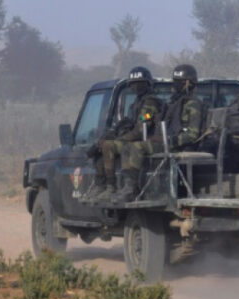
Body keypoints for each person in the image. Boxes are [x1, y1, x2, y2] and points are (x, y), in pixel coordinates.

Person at [112, 64, 204, 204]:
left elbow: (192, 135)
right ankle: (127, 187)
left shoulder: (193, 104)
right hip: (164, 141)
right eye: (175, 81)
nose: (176, 85)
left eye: (180, 82)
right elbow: (149, 117)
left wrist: (168, 140)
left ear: (189, 83)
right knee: (128, 146)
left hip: (176, 145)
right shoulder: (172, 103)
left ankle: (131, 190)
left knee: (136, 147)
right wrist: (146, 120)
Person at [84, 66, 163, 202]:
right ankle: (104, 186)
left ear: (148, 84)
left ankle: (117, 188)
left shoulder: (150, 103)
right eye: (134, 84)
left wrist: (121, 139)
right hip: (135, 139)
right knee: (102, 147)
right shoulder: (136, 104)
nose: (137, 87)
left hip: (146, 140)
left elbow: (140, 129)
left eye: (141, 84)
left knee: (110, 146)